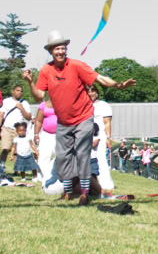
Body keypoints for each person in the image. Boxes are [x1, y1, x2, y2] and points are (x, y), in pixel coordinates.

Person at [22, 30, 135, 206]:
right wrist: (30, 82)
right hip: (64, 121)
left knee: (82, 154)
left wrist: (119, 85)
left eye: (63, 48)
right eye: (56, 49)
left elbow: (100, 79)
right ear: (50, 51)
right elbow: (38, 97)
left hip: (83, 117)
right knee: (62, 156)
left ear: (66, 49)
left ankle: (84, 193)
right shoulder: (46, 70)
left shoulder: (76, 66)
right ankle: (68, 191)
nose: (60, 52)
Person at [88, 85, 114, 195]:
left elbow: (107, 122)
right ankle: (93, 183)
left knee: (101, 158)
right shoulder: (84, 105)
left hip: (101, 135)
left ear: (97, 92)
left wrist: (108, 137)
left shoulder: (103, 105)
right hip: (87, 135)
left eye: (93, 91)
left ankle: (106, 184)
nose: (91, 93)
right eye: (88, 91)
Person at [0, 84, 32, 165]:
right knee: (5, 148)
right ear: (13, 91)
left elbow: (28, 117)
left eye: (21, 91)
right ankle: (1, 166)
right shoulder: (6, 101)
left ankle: (18, 169)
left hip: (19, 130)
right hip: (7, 128)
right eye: (17, 90)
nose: (19, 92)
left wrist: (22, 108)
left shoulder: (24, 103)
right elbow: (0, 116)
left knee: (18, 150)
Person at [33, 98, 58, 185]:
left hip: (60, 134)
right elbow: (38, 121)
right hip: (46, 134)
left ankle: (57, 177)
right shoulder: (43, 105)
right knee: (43, 157)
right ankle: (46, 177)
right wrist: (36, 134)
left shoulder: (63, 103)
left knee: (60, 156)